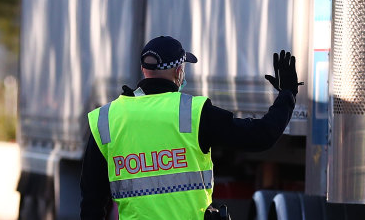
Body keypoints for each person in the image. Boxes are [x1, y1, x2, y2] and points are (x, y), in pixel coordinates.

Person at [80, 36, 301, 219]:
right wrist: (287, 94)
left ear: (143, 69)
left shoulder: (107, 119)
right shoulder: (193, 112)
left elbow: (92, 200)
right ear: (179, 71)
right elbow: (261, 136)